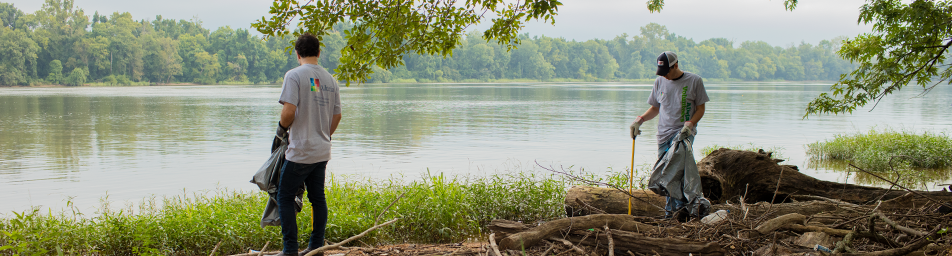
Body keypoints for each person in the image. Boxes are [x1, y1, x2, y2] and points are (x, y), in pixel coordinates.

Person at [272, 33, 343, 256]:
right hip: (322, 151)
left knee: (284, 196)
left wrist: (281, 131)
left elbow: (289, 111)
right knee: (318, 199)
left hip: (300, 150)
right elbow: (337, 116)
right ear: (319, 53)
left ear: (297, 54)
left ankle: (290, 250)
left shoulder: (294, 75)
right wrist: (323, 135)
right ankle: (316, 247)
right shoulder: (331, 80)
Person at [629, 51, 709, 218]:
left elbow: (700, 109)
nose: (664, 76)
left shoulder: (694, 81)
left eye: (667, 72)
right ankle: (671, 213)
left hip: (683, 134)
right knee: (665, 176)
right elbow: (655, 108)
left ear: (676, 65)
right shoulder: (659, 82)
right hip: (663, 135)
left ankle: (680, 214)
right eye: (661, 72)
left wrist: (690, 124)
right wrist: (640, 120)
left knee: (678, 174)